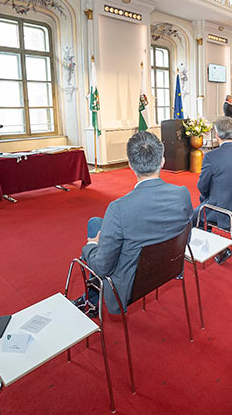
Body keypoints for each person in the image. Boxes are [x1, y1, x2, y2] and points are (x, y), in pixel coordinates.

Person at [80, 131, 193, 314]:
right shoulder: (182, 193)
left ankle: (92, 301)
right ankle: (91, 299)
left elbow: (102, 267)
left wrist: (91, 246)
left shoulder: (119, 208)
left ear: (130, 165)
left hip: (131, 286)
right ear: (162, 161)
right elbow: (186, 238)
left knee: (94, 226)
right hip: (167, 269)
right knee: (97, 222)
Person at [194, 117, 232, 264]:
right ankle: (214, 244)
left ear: (216, 134)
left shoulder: (211, 156)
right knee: (204, 209)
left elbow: (202, 186)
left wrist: (208, 197)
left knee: (191, 217)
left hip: (223, 211)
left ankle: (217, 248)